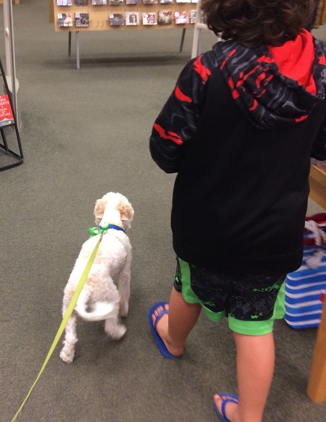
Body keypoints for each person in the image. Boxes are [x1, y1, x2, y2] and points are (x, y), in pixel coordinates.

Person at [148, 1, 326, 421]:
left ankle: (173, 341)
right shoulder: (320, 68)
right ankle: (249, 417)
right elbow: (321, 148)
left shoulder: (207, 70)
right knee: (255, 324)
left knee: (188, 285)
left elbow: (165, 150)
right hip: (274, 232)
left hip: (206, 226)